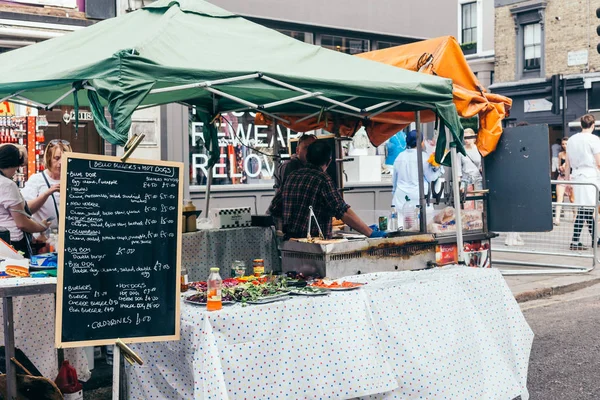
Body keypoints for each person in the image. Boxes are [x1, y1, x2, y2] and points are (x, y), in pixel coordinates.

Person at [268, 140, 385, 239]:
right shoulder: (323, 180)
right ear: (329, 161)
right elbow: (342, 211)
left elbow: (275, 208)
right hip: (314, 247)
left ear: (307, 157)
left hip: (290, 244)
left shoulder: (292, 177)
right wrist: (370, 233)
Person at [0, 144, 51, 257]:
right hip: (12, 242)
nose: (16, 172)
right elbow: (22, 223)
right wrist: (41, 226)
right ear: (12, 164)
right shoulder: (7, 185)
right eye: (17, 167)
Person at [565, 114, 600, 250]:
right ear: (593, 125)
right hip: (590, 175)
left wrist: (568, 182)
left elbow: (567, 163)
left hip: (576, 175)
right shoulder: (594, 139)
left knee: (585, 208)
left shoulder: (572, 140)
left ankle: (595, 239)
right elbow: (599, 162)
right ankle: (575, 240)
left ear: (580, 125)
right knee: (586, 209)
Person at [22, 139, 71, 231]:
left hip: (71, 236)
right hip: (43, 238)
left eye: (65, 159)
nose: (61, 163)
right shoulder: (37, 179)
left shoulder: (75, 179)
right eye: (56, 158)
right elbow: (26, 210)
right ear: (48, 158)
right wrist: (47, 193)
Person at [392, 130, 443, 210]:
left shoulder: (400, 156)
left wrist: (394, 192)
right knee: (420, 221)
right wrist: (439, 169)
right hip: (418, 195)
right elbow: (431, 177)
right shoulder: (424, 157)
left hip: (400, 196)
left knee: (401, 221)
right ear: (421, 142)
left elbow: (394, 179)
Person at [554, 137, 574, 226]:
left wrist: (566, 166)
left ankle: (575, 215)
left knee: (572, 199)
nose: (564, 146)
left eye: (566, 144)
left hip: (571, 178)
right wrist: (560, 168)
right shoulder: (560, 154)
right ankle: (557, 218)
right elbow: (558, 166)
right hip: (561, 177)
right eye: (563, 144)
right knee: (559, 197)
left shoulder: (574, 154)